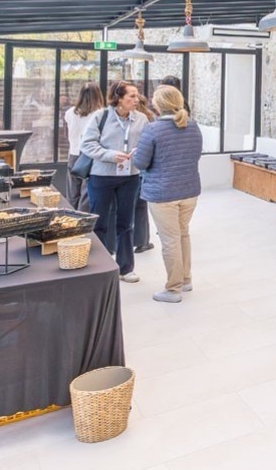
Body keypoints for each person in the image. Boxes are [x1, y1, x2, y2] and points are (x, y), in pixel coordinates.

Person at [134, 85, 203, 303]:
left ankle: (173, 289)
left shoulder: (153, 130)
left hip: (163, 194)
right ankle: (186, 279)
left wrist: (136, 153)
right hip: (189, 191)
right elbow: (194, 155)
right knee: (182, 235)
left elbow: (140, 162)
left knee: (170, 241)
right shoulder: (193, 127)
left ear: (158, 104)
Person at [82, 79, 149, 283]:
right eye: (132, 96)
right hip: (101, 176)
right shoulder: (100, 116)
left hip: (130, 176)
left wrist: (139, 153)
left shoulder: (142, 119)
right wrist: (112, 155)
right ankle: (101, 267)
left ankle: (125, 268)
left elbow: (146, 144)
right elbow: (87, 145)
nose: (136, 99)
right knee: (100, 222)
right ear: (118, 98)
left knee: (125, 223)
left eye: (137, 95)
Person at [63, 82, 103, 211]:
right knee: (86, 194)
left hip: (73, 154)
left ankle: (69, 220)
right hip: (90, 156)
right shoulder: (101, 113)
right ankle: (83, 223)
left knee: (72, 193)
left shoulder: (69, 112)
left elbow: (67, 132)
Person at [131, 92, 158, 254]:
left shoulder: (131, 120)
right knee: (140, 207)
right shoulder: (151, 119)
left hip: (127, 167)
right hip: (143, 170)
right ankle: (142, 241)